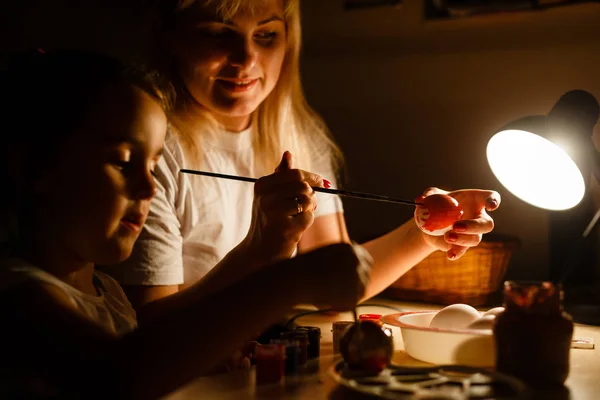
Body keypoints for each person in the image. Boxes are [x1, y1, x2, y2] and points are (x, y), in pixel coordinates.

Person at [0, 50, 370, 399]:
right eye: (123, 162)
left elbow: (151, 361)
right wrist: (290, 280)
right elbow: (117, 374)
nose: (149, 186)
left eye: (153, 164)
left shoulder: (106, 292)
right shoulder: (16, 296)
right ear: (33, 167)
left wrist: (206, 355)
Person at [105, 0, 500, 310]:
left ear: (288, 39)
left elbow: (335, 284)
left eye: (266, 36)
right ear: (171, 38)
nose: (245, 60)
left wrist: (424, 234)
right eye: (217, 34)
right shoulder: (152, 149)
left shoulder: (291, 132)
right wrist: (260, 249)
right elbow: (149, 328)